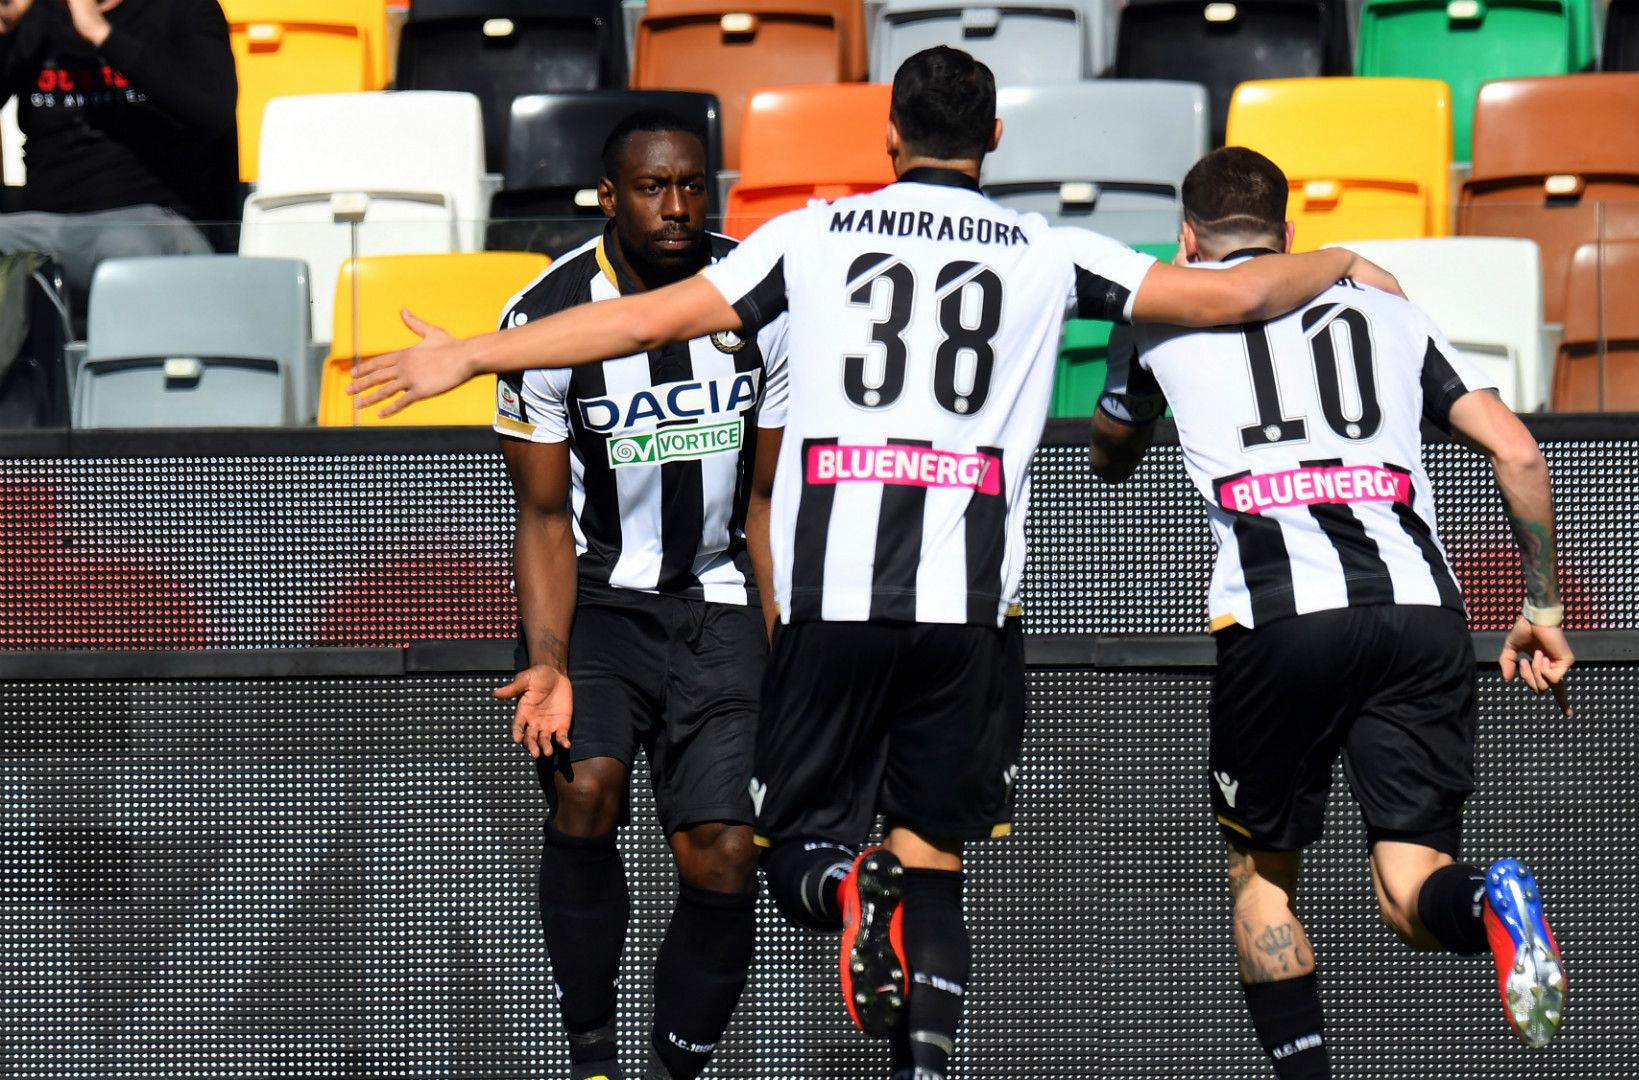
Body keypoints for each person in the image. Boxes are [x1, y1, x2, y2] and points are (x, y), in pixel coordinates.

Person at [348, 46, 1404, 1080]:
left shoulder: (806, 239)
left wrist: (467, 354)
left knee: (785, 852)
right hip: (968, 612)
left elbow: (636, 322)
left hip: (831, 596)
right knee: (933, 862)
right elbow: (1226, 298)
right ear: (994, 139)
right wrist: (1341, 260)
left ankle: (837, 899)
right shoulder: (1044, 249)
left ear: (889, 135)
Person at [1088, 146, 1574, 1076]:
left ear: (1189, 239)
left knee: (1263, 884)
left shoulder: (1159, 314)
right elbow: (1516, 451)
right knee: (1410, 891)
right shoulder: (1387, 309)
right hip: (1421, 611)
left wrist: (1126, 412)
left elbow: (1114, 447)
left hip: (1282, 619)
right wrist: (1540, 602)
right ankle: (1490, 901)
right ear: (1287, 233)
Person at [491, 109, 786, 1080]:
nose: (678, 208)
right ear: (609, 197)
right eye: (655, 188)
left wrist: (783, 649)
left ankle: (671, 1070)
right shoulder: (542, 321)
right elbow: (541, 519)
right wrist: (546, 664)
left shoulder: (764, 301)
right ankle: (591, 1053)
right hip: (599, 603)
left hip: (719, 602)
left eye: (694, 185)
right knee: (585, 790)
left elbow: (765, 500)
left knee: (725, 854)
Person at [0, 0, 239, 320]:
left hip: (150, 219)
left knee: (122, 245)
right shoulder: (36, 18)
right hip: (45, 223)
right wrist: (5, 28)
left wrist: (102, 34)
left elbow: (213, 110)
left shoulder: (183, 9)